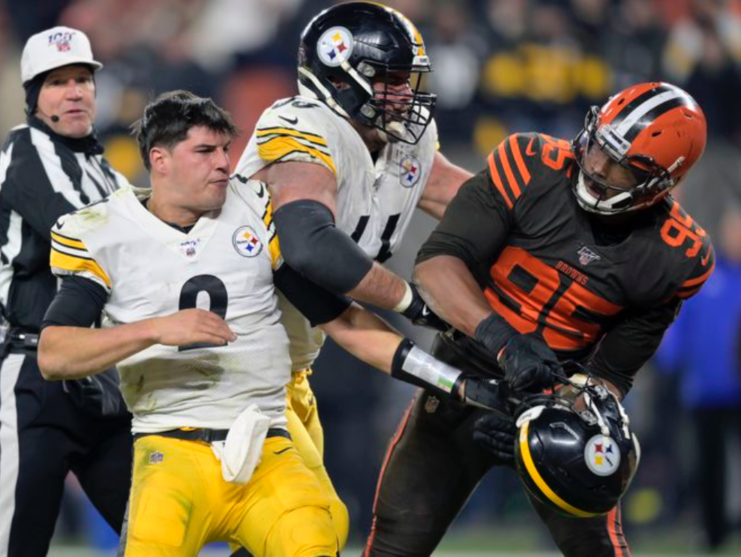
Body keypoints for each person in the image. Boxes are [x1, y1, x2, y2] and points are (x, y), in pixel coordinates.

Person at [36, 90, 494, 557]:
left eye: (224, 150)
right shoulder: (103, 232)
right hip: (171, 449)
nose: (223, 164)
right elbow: (53, 354)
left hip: (265, 441)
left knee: (320, 535)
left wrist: (454, 382)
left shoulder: (256, 208)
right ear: (160, 159)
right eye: (204, 151)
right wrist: (154, 329)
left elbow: (346, 323)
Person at [364, 81, 715, 557]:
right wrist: (506, 341)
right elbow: (436, 267)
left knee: (597, 548)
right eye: (600, 146)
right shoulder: (529, 162)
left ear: (660, 184)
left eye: (621, 165)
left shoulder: (677, 256)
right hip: (463, 372)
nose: (598, 167)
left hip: (561, 397)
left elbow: (609, 376)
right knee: (397, 541)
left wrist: (544, 418)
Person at [233, 1, 473, 545]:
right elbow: (310, 246)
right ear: (340, 78)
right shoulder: (302, 125)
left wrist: (556, 210)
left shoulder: (401, 141)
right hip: (230, 368)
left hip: (291, 367)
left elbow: (475, 204)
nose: (405, 94)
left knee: (290, 536)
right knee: (310, 531)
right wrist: (414, 302)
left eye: (407, 79)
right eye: (390, 80)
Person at [0, 26, 130, 557]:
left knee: (157, 535)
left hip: (102, 376)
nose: (74, 92)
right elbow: (79, 232)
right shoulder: (27, 149)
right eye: (57, 82)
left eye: (82, 79)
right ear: (33, 97)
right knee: (17, 548)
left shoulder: (103, 167)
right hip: (35, 380)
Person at [655, 207, 741, 550]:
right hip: (706, 388)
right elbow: (679, 327)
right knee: (709, 464)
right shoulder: (706, 278)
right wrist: (669, 360)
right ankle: (713, 531)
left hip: (737, 387)